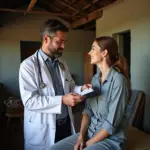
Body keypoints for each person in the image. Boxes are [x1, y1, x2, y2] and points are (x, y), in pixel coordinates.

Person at [19, 19, 91, 150]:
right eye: (59, 42)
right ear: (46, 39)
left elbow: (70, 86)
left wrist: (81, 89)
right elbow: (29, 101)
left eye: (64, 42)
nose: (63, 46)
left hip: (65, 125)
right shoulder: (28, 66)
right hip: (43, 128)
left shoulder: (62, 63)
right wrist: (63, 100)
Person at [50, 36, 130, 150]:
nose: (89, 52)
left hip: (111, 139)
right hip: (90, 133)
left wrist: (89, 143)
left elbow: (111, 123)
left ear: (104, 53)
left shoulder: (119, 81)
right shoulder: (95, 79)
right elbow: (87, 111)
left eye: (93, 49)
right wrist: (81, 136)